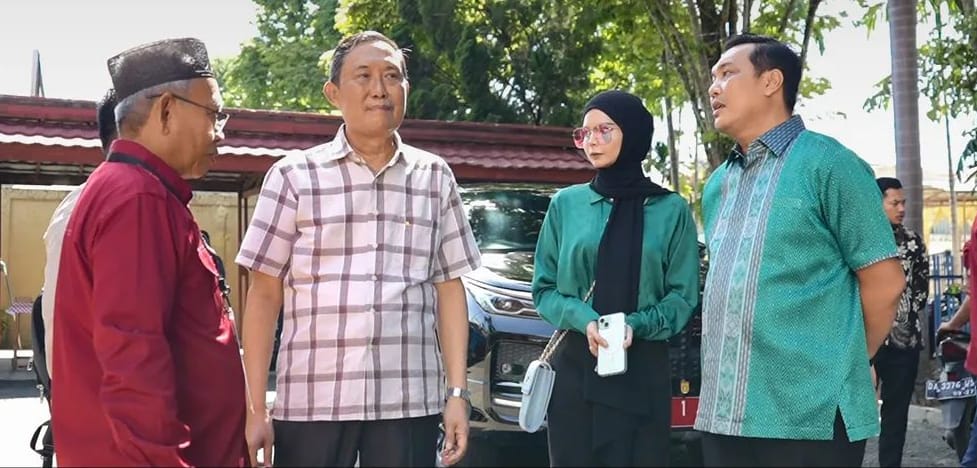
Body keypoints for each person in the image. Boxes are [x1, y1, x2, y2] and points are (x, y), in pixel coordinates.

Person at [236, 30, 481, 467]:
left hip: (408, 400)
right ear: (333, 93)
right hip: (313, 400)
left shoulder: (435, 177)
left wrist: (457, 394)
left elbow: (449, 289)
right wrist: (256, 407)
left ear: (406, 89)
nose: (379, 89)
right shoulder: (294, 176)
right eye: (363, 75)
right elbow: (264, 294)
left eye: (392, 76)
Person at [695, 33, 906, 467]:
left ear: (771, 81)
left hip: (809, 417)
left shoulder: (830, 164)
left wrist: (848, 361)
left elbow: (885, 283)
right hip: (724, 414)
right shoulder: (718, 185)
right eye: (713, 77)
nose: (714, 88)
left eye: (728, 74)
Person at [50, 38, 247, 466]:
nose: (221, 132)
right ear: (167, 111)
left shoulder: (128, 188)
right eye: (213, 114)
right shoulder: (137, 198)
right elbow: (134, 359)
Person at [532, 89, 700, 466]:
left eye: (604, 130)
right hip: (576, 369)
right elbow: (544, 290)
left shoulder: (670, 210)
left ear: (633, 133)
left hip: (642, 370)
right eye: (585, 133)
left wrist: (634, 325)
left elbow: (682, 296)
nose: (592, 141)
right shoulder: (565, 205)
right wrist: (586, 320)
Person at [40, 87, 118, 381]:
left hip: (77, 391)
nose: (215, 134)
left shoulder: (77, 202)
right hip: (106, 399)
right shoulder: (124, 205)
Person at [872, 177, 929, 467]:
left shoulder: (913, 242)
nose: (902, 208)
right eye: (894, 203)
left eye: (903, 202)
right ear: (877, 203)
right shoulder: (862, 240)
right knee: (850, 415)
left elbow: (921, 292)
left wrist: (899, 317)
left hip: (903, 343)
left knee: (895, 417)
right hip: (865, 343)